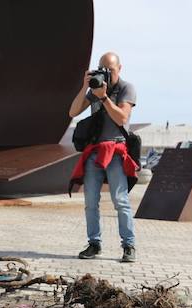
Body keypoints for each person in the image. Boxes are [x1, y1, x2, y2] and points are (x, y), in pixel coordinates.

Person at [68, 52, 138, 263]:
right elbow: (72, 112)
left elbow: (122, 117)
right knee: (90, 201)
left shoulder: (127, 88)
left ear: (120, 68)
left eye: (111, 70)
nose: (107, 74)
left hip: (116, 151)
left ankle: (129, 246)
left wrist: (104, 97)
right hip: (95, 151)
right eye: (102, 69)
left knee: (120, 200)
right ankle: (94, 243)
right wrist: (85, 87)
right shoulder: (96, 87)